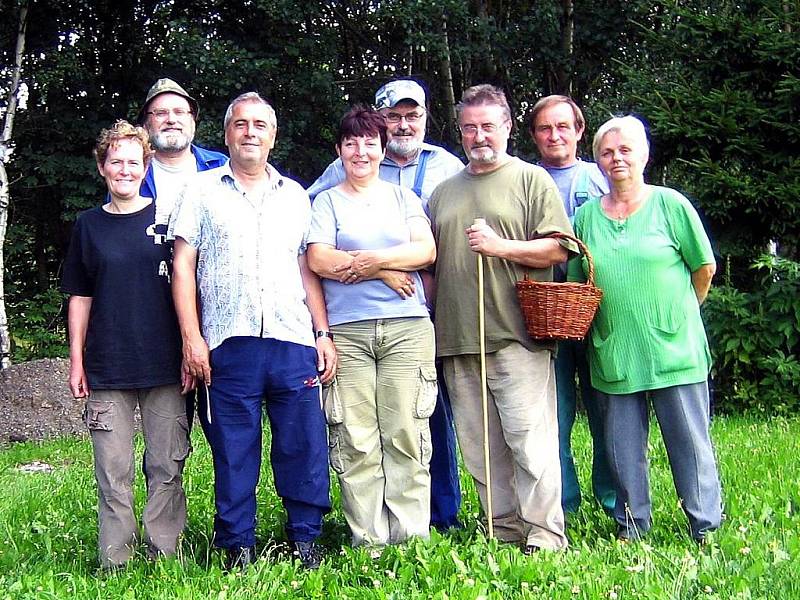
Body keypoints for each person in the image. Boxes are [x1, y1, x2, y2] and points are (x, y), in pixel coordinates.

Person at [168, 92, 336, 570]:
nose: (250, 132)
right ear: (226, 135)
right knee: (234, 450)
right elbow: (183, 267)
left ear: (273, 135)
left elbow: (308, 270)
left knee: (302, 445)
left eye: (260, 125)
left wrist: (322, 332)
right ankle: (237, 544)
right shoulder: (200, 191)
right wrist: (191, 338)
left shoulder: (296, 195)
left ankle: (305, 539)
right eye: (241, 124)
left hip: (291, 340)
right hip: (227, 342)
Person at [308, 78, 464, 531]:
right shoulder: (326, 201)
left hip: (407, 328)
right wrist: (382, 270)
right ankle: (369, 538)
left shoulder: (405, 197)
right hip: (349, 331)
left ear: (381, 149)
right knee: (355, 438)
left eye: (370, 143)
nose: (361, 152)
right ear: (340, 150)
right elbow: (318, 258)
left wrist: (371, 259)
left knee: (407, 434)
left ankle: (410, 535)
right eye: (351, 143)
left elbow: (426, 252)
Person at [429, 85, 576, 552]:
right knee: (480, 448)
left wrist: (502, 248)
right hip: (456, 337)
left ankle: (545, 534)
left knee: (529, 442)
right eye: (469, 127)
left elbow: (559, 247)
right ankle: (503, 529)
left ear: (508, 127)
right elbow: (430, 261)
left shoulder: (532, 180)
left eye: (488, 126)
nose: (478, 136)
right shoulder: (443, 191)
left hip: (517, 335)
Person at [568, 115, 723, 543]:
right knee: (621, 450)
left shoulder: (670, 204)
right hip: (615, 349)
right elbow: (583, 281)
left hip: (674, 349)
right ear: (597, 160)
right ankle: (631, 526)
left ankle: (705, 524)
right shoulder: (585, 219)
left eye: (625, 150)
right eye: (607, 152)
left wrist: (679, 314)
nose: (616, 158)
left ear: (644, 155)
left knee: (690, 445)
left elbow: (703, 268)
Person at [62, 120, 191, 570]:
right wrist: (76, 359)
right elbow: (79, 296)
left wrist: (192, 350)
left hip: (165, 365)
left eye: (133, 162)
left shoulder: (168, 222)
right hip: (107, 366)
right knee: (113, 473)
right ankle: (115, 560)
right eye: (115, 161)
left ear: (145, 166)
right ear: (102, 167)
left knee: (166, 467)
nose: (124, 169)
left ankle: (165, 554)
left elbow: (190, 288)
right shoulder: (88, 226)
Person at [528, 95, 615, 515]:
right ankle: (564, 504)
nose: (555, 135)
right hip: (544, 313)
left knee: (607, 410)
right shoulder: (525, 180)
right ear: (534, 136)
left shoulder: (600, 178)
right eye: (545, 128)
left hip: (598, 311)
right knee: (554, 416)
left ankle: (614, 498)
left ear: (580, 130)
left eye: (563, 126)